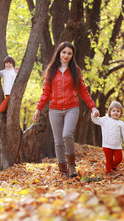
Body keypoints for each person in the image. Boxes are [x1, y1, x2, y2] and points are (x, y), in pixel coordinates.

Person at [33, 41, 99, 179]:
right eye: (64, 52)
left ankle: (71, 165)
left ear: (72, 55)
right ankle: (63, 170)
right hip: (55, 110)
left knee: (67, 135)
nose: (66, 55)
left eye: (69, 53)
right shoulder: (51, 70)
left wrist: (92, 107)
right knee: (58, 141)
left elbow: (83, 90)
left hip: (71, 108)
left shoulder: (76, 71)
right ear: (59, 52)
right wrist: (38, 109)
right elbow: (45, 92)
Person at [91, 101, 124, 176]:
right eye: (114, 111)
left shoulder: (121, 123)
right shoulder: (105, 120)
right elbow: (96, 120)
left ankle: (113, 166)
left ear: (121, 113)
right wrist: (94, 115)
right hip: (107, 145)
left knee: (119, 159)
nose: (116, 113)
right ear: (110, 112)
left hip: (117, 146)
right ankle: (108, 172)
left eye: (118, 111)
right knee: (109, 160)